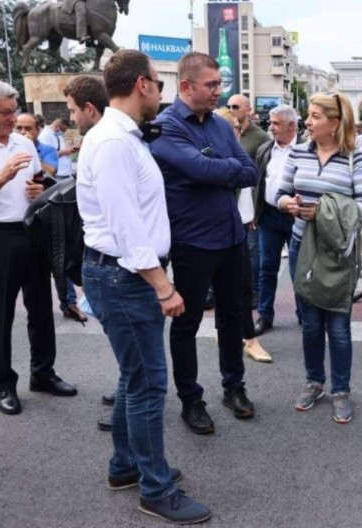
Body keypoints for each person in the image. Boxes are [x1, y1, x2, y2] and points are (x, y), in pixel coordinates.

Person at [77, 49, 211, 524]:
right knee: (149, 385)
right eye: (159, 82)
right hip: (125, 275)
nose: (162, 91)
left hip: (123, 274)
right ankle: (154, 489)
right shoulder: (114, 142)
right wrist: (162, 286)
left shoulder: (123, 137)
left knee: (133, 379)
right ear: (141, 86)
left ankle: (125, 466)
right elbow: (126, 227)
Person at [0, 79, 77, 416]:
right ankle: (4, 385)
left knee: (41, 309)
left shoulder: (22, 142)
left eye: (14, 111)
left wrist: (39, 191)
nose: (12, 119)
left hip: (30, 231)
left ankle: (43, 373)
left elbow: (38, 183)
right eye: (6, 113)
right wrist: (1, 178)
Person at [151, 52, 259, 435]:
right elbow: (199, 168)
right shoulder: (166, 126)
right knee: (188, 324)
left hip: (231, 238)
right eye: (211, 84)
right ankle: (190, 399)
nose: (219, 91)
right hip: (193, 243)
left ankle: (234, 387)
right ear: (186, 86)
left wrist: (215, 166)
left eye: (219, 84)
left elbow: (249, 171)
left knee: (233, 317)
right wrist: (215, 167)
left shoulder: (218, 124)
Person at [276, 91, 362, 424]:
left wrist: (326, 212)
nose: (308, 120)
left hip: (337, 255)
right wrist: (287, 204)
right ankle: (314, 382)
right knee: (310, 325)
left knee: (339, 327)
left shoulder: (353, 159)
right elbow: (280, 193)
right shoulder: (298, 153)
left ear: (334, 123)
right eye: (309, 114)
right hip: (301, 250)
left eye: (316, 116)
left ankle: (341, 390)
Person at [64, 74, 116, 432]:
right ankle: (126, 461)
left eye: (72, 111)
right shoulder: (105, 141)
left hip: (112, 263)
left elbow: (121, 215)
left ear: (89, 108)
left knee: (139, 365)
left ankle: (127, 460)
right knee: (141, 366)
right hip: (108, 263)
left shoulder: (108, 140)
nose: (71, 119)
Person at [213, 105, 272, 364]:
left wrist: (251, 217)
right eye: (235, 127)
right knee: (225, 289)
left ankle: (249, 339)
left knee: (243, 288)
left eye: (239, 126)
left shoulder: (239, 152)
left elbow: (250, 182)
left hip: (242, 225)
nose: (240, 130)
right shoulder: (212, 155)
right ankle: (233, 335)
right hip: (219, 231)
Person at [254, 104, 303, 336]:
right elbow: (258, 183)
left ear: (291, 126)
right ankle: (265, 315)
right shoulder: (265, 149)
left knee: (299, 270)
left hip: (297, 218)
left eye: (275, 123)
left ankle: (304, 315)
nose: (270, 127)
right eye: (270, 123)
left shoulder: (307, 149)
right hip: (269, 217)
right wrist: (256, 213)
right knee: (267, 268)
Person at [38, 116, 85, 321]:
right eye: (19, 128)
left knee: (62, 248)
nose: (23, 132)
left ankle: (69, 302)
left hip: (60, 187)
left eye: (28, 128)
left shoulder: (42, 148)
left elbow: (51, 169)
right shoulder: (44, 138)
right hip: (36, 212)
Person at [227, 93, 270, 309]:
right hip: (229, 203)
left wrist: (257, 207)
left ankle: (254, 291)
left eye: (236, 106)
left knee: (252, 249)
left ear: (248, 109)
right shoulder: (225, 134)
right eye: (229, 106)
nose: (232, 109)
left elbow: (263, 173)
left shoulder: (261, 137)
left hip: (250, 202)